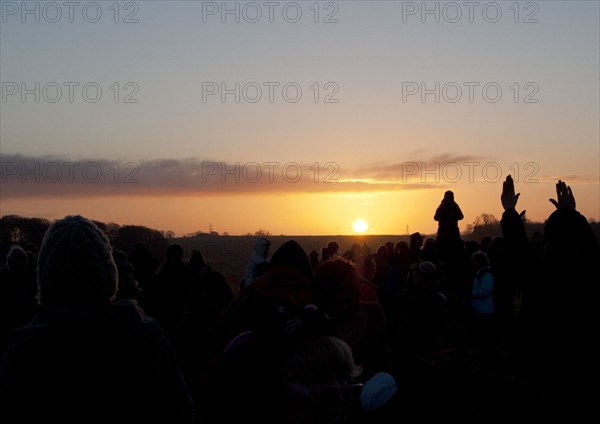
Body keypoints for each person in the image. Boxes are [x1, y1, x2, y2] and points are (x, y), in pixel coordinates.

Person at [0, 215, 196, 423]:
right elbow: (184, 420)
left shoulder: (24, 352)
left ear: (46, 279)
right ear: (109, 275)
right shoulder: (147, 340)